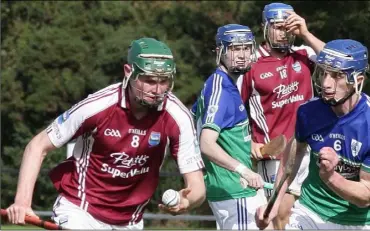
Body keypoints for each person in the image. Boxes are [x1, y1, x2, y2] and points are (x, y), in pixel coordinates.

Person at [5, 37, 206, 230]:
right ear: (128, 72)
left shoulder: (178, 117)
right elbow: (37, 146)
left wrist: (186, 201)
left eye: (164, 81)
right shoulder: (97, 106)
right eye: (149, 80)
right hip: (80, 211)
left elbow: (197, 187)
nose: (157, 89)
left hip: (130, 221)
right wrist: (22, 202)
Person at [256, 39, 370, 230]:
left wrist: (331, 177)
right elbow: (290, 160)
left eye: (336, 76)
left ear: (357, 81)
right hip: (310, 211)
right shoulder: (308, 112)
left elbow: (366, 196)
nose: (326, 83)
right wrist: (273, 204)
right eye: (323, 73)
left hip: (356, 222)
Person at [236, 2, 325, 229]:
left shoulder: (304, 54)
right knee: (280, 216)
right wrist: (249, 142)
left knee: (309, 215)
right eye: (277, 26)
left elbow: (339, 61)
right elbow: (233, 109)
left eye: (287, 27)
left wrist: (305, 32)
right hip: (276, 155)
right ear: (264, 27)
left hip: (310, 151)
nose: (283, 32)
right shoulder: (251, 64)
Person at [192, 24, 267, 230]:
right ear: (220, 52)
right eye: (234, 49)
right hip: (235, 190)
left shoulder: (219, 84)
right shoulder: (221, 90)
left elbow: (193, 118)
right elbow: (206, 143)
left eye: (246, 48)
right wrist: (244, 171)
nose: (242, 55)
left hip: (239, 190)